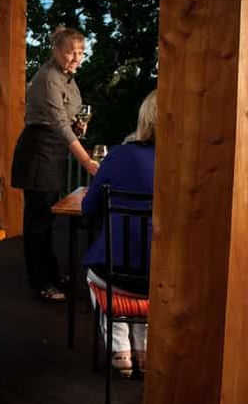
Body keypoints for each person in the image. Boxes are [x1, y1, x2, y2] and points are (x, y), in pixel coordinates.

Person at [11, 26, 99, 302]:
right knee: (38, 222)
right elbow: (58, 124)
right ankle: (40, 282)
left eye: (81, 52)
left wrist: (79, 124)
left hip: (55, 150)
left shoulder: (68, 78)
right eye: (71, 52)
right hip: (39, 151)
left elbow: (67, 119)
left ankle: (49, 271)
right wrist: (86, 161)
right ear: (56, 51)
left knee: (47, 219)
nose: (76, 58)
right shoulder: (48, 77)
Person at [81, 89, 157, 377]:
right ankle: (143, 346)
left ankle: (118, 346)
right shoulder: (186, 164)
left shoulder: (121, 155)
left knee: (96, 274)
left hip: (114, 276)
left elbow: (89, 208)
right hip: (166, 280)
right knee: (149, 266)